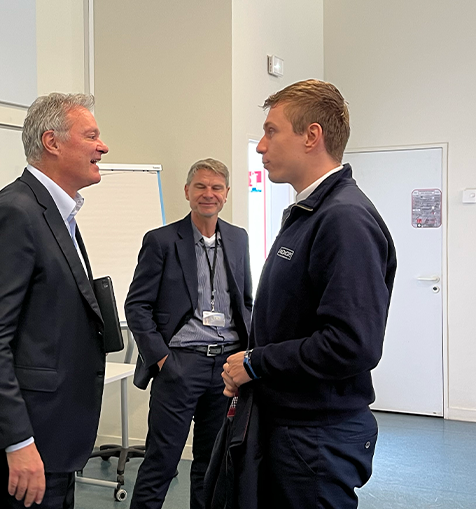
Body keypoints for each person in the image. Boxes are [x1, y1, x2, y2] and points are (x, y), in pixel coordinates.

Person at [221, 79, 397, 508]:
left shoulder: (344, 220)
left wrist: (255, 363)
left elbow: (351, 344)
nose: (262, 146)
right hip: (292, 427)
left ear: (311, 136)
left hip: (315, 438)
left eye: (271, 131)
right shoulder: (310, 212)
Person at [0, 92, 110, 509]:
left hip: (53, 434)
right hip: (24, 441)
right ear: (52, 142)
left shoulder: (55, 212)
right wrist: (18, 441)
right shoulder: (15, 213)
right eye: (91, 136)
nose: (103, 147)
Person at [125, 158, 253, 509]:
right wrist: (162, 360)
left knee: (212, 467)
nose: (208, 194)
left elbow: (245, 301)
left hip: (226, 369)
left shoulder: (238, 239)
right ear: (186, 191)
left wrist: (246, 355)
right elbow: (136, 305)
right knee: (161, 464)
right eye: (200, 186)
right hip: (180, 366)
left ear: (226, 193)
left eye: (216, 187)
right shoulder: (162, 241)